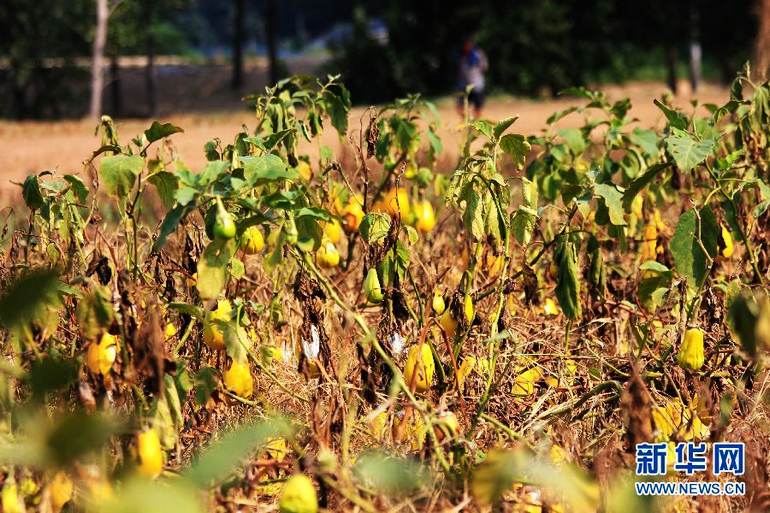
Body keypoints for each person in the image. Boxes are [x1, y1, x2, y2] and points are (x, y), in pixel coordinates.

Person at [456, 37, 488, 118]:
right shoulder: (460, 56)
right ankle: (468, 122)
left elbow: (484, 67)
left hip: (477, 85)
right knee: (459, 108)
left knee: (477, 109)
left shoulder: (478, 54)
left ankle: (476, 126)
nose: (467, 47)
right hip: (463, 86)